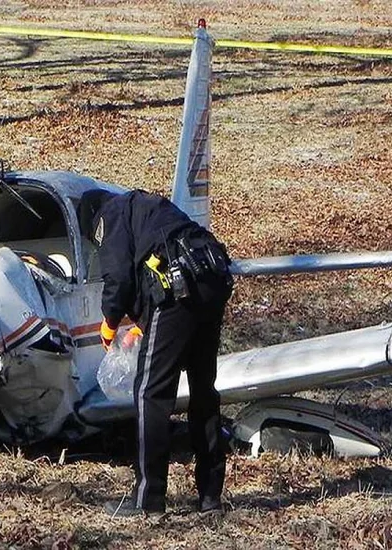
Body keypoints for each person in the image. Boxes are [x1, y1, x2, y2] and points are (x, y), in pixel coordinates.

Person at [78, 188, 233, 517]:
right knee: (203, 393)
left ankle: (148, 502)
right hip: (212, 275)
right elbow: (150, 265)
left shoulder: (111, 213)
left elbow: (119, 278)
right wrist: (145, 325)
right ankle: (210, 499)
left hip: (181, 285)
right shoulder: (148, 209)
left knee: (150, 395)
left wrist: (109, 323)